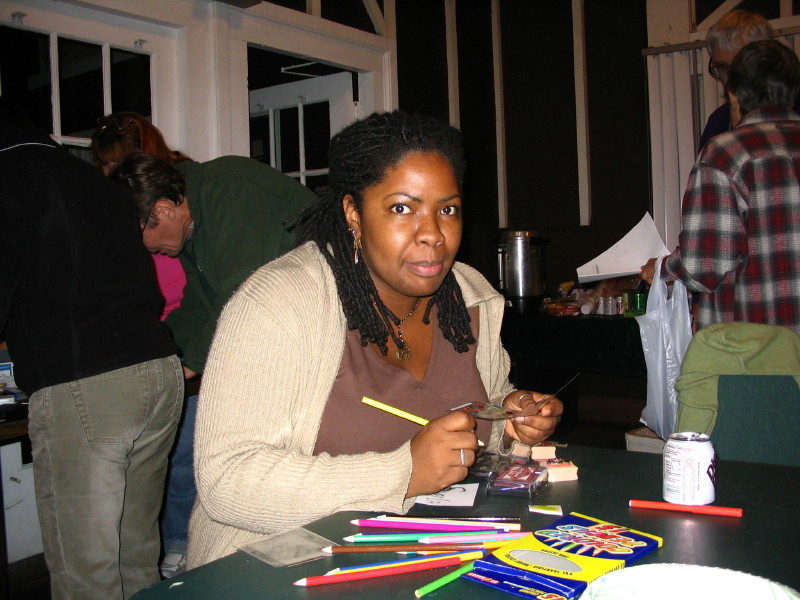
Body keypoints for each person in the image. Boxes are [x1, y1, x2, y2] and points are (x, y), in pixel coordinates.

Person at [186, 111, 563, 567]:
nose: (433, 234)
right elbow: (227, 481)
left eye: (447, 209)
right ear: (354, 213)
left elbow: (482, 410)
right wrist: (403, 472)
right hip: (279, 570)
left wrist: (511, 419)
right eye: (402, 208)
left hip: (425, 557)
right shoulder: (280, 303)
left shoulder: (470, 299)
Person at [0, 98, 184, 599]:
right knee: (135, 553)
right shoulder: (91, 179)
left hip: (88, 386)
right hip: (158, 371)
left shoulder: (10, 176)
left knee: (86, 571)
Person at [110, 150, 317, 573]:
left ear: (163, 210)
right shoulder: (193, 222)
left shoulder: (231, 191)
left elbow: (241, 298)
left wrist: (184, 365)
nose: (157, 254)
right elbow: (200, 305)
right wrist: (160, 356)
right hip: (287, 332)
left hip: (322, 334)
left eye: (152, 242)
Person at [641, 40, 800, 336]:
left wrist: (662, 269)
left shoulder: (727, 153)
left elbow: (704, 264)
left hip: (752, 344)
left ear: (734, 96)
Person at [92, 112, 191, 577]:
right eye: (102, 166)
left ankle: (182, 546)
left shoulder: (175, 205)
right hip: (152, 347)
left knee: (184, 457)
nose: (107, 174)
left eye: (115, 165)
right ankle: (167, 548)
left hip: (184, 341)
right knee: (155, 464)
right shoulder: (122, 214)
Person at [698, 10, 773, 150]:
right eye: (722, 67)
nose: (730, 78)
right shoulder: (718, 122)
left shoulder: (790, 117)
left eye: (739, 66)